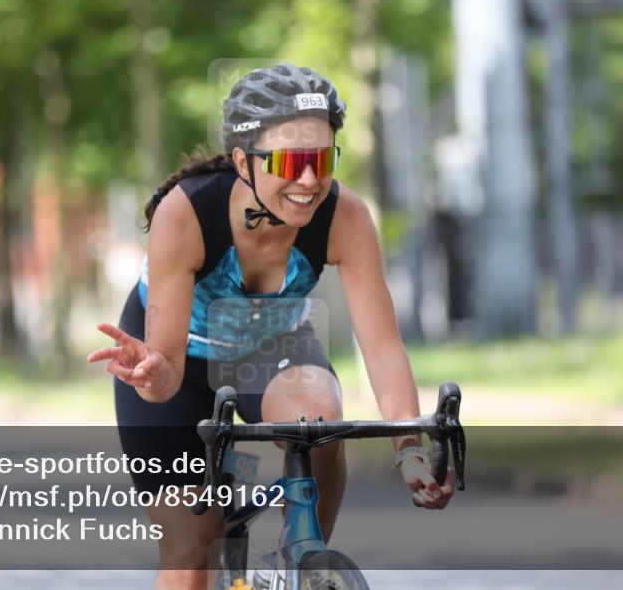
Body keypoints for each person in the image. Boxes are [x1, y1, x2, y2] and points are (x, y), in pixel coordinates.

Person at [88, 63, 456, 590]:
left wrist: (410, 449)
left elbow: (381, 345)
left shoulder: (345, 215)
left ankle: (303, 561)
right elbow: (164, 371)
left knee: (321, 424)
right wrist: (149, 375)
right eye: (289, 160)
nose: (309, 180)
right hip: (177, 360)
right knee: (194, 547)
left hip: (275, 344)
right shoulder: (185, 212)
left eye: (323, 159)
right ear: (243, 161)